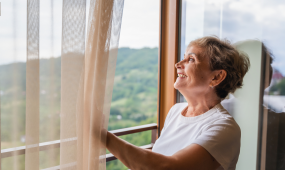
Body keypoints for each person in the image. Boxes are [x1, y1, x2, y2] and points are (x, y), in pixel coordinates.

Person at [105, 36, 250, 170]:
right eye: (183, 58)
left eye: (191, 59)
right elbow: (160, 156)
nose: (178, 64)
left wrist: (102, 136)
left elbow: (168, 167)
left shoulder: (225, 128)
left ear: (217, 77)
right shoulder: (176, 111)